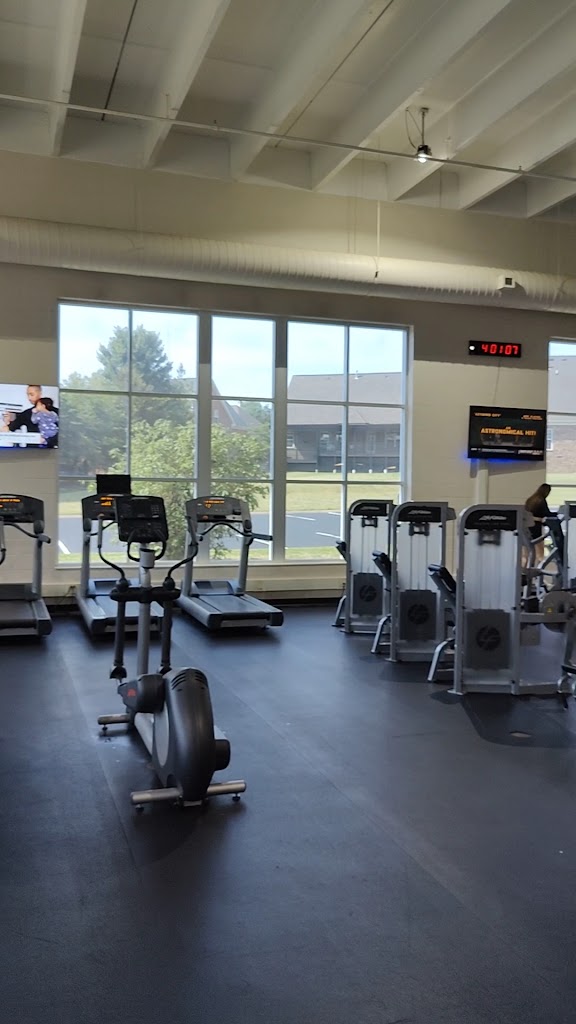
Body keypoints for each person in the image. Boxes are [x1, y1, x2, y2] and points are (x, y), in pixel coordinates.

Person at [525, 483, 558, 566]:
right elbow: (547, 514)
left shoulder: (530, 499)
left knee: (528, 551)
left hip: (527, 527)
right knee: (539, 551)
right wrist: (557, 514)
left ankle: (527, 569)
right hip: (536, 527)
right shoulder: (541, 501)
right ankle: (538, 568)